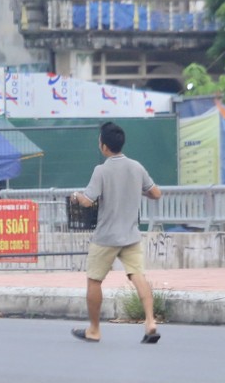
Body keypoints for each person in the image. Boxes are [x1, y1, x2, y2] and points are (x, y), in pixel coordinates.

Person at [70, 121, 163, 344]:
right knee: (138, 276)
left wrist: (75, 196)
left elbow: (87, 200)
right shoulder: (136, 167)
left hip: (106, 237)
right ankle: (150, 321)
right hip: (131, 235)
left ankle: (94, 330)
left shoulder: (101, 170)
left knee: (94, 281)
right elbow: (156, 193)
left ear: (104, 147)